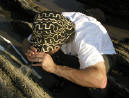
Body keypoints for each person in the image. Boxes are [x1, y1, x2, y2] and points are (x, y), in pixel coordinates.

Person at [23, 11, 116, 90]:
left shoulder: (84, 40)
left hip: (103, 54)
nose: (42, 50)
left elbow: (100, 81)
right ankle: (65, 77)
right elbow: (26, 43)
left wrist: (54, 68)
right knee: (49, 59)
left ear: (59, 43)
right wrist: (29, 51)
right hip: (73, 49)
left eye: (47, 48)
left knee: (94, 87)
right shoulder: (48, 24)